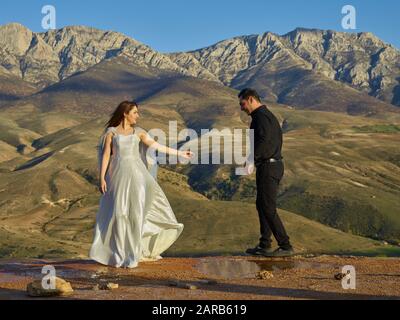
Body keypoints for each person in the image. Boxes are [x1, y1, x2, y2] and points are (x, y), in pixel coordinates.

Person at [89, 101, 193, 268]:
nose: (138, 115)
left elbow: (157, 146)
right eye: (135, 112)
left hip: (137, 176)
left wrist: (180, 152)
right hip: (117, 177)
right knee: (118, 213)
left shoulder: (139, 133)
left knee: (135, 213)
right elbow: (106, 156)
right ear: (125, 113)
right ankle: (119, 253)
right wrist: (101, 178)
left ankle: (133, 253)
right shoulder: (111, 133)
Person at [239, 88, 294, 257]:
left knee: (268, 207)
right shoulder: (265, 115)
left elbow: (265, 142)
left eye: (242, 104)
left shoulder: (261, 117)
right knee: (261, 205)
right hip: (270, 166)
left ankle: (285, 245)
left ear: (250, 99)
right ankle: (265, 244)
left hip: (269, 166)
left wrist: (251, 159)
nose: (242, 108)